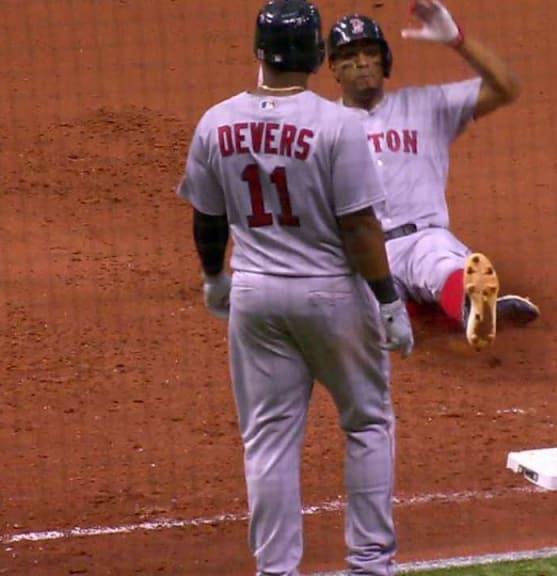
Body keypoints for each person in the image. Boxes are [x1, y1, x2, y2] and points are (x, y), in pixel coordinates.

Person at [177, 1, 413, 574]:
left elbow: (207, 217)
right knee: (367, 423)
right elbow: (359, 225)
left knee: (269, 441)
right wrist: (388, 301)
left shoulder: (216, 120)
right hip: (331, 295)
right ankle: (370, 563)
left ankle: (276, 570)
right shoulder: (338, 125)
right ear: (315, 55)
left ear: (259, 52)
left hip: (255, 296)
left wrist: (214, 277)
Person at [324, 0, 539, 350]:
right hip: (364, 252)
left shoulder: (426, 106)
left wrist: (458, 40)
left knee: (443, 264)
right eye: (349, 56)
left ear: (384, 61)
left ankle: (472, 306)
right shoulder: (323, 126)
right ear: (333, 67)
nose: (362, 62)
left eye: (370, 53)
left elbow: (507, 87)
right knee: (356, 313)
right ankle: (438, 311)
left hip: (424, 238)